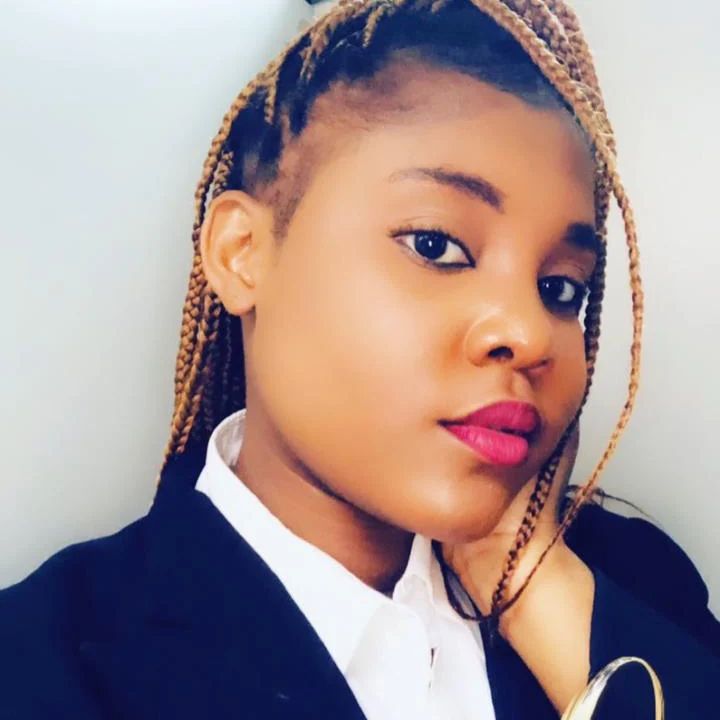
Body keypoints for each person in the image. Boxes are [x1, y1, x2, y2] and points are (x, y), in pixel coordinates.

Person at [1, 1, 719, 718]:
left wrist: (525, 579)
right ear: (242, 253)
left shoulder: (634, 585)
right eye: (437, 246)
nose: (530, 334)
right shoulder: (41, 670)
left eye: (560, 288)